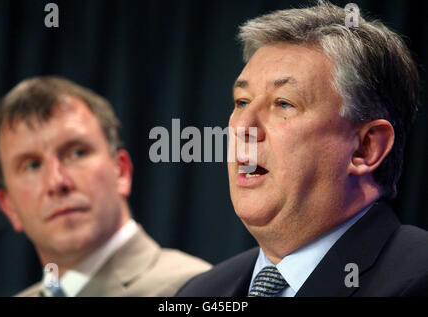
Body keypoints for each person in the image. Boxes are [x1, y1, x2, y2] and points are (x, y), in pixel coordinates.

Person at [176, 1, 428, 297]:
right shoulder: (201, 291)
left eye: (284, 103)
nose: (242, 127)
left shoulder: (416, 279)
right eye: (242, 102)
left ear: (365, 148)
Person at [0, 76, 211, 297]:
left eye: (77, 152)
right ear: (9, 207)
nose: (57, 182)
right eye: (32, 166)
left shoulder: (196, 288)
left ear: (121, 172)